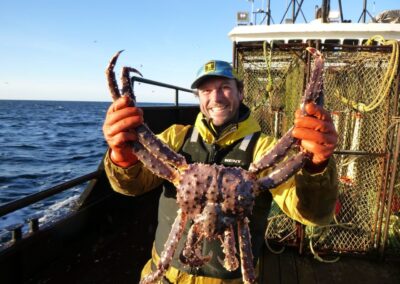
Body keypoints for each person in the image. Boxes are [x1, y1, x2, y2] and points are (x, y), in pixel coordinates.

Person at [102, 60, 338, 283]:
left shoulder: (264, 149)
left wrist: (315, 166)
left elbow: (311, 214)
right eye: (206, 91)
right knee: (136, 131)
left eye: (225, 87)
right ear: (199, 97)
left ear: (241, 92)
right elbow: (131, 185)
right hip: (164, 276)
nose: (215, 97)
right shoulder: (175, 138)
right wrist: (122, 157)